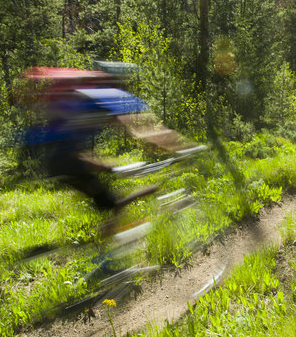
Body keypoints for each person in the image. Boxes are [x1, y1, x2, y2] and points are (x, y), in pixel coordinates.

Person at [22, 67, 195, 237]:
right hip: (71, 162)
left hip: (56, 162)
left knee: (108, 204)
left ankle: (101, 250)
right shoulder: (110, 96)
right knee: (115, 204)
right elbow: (146, 132)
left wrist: (106, 166)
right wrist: (185, 147)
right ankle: (104, 258)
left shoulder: (83, 98)